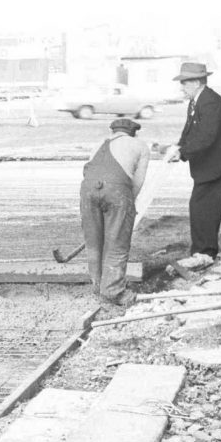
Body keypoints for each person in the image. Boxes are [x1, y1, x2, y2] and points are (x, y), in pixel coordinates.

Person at [166, 61, 221, 264]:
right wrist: (178, 147)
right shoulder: (196, 101)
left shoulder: (210, 102)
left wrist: (182, 153)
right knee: (199, 206)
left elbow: (206, 137)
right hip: (208, 167)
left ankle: (205, 253)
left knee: (205, 207)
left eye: (185, 83)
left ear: (197, 81)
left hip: (218, 166)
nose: (181, 87)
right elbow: (190, 130)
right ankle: (201, 252)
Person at [80, 117, 151, 308]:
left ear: (113, 132)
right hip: (118, 190)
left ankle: (97, 286)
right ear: (132, 133)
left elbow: (87, 172)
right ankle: (112, 290)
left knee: (94, 242)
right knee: (117, 242)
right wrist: (129, 205)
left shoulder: (98, 144)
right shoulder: (140, 146)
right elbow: (137, 182)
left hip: (88, 190)